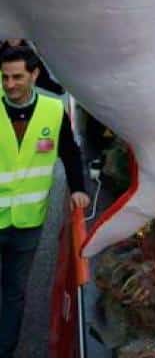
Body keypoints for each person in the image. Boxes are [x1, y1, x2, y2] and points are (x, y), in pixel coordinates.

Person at [0, 46, 89, 356]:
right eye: (5, 77)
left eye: (17, 77)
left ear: (35, 75)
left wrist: (78, 188)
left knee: (14, 292)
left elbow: (70, 152)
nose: (10, 84)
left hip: (28, 222)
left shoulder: (53, 111)